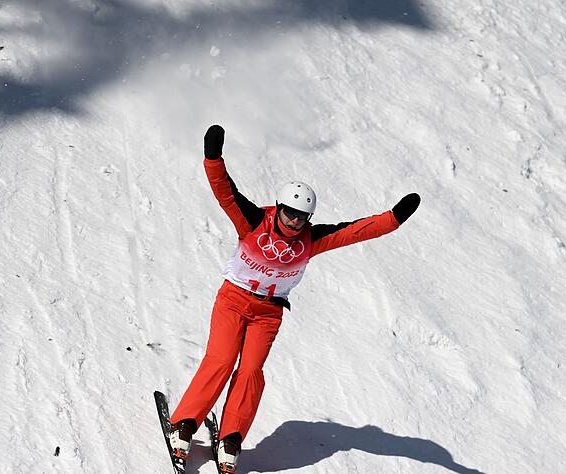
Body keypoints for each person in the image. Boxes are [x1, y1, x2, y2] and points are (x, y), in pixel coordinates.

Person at [167, 124, 421, 473]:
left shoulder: (312, 239)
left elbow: (354, 231)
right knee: (222, 359)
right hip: (234, 299)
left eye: (302, 216)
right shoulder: (253, 221)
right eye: (289, 213)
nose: (294, 220)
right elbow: (225, 192)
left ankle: (230, 438)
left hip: (268, 313)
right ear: (279, 207)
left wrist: (393, 218)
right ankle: (184, 424)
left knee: (251, 370)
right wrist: (213, 156)